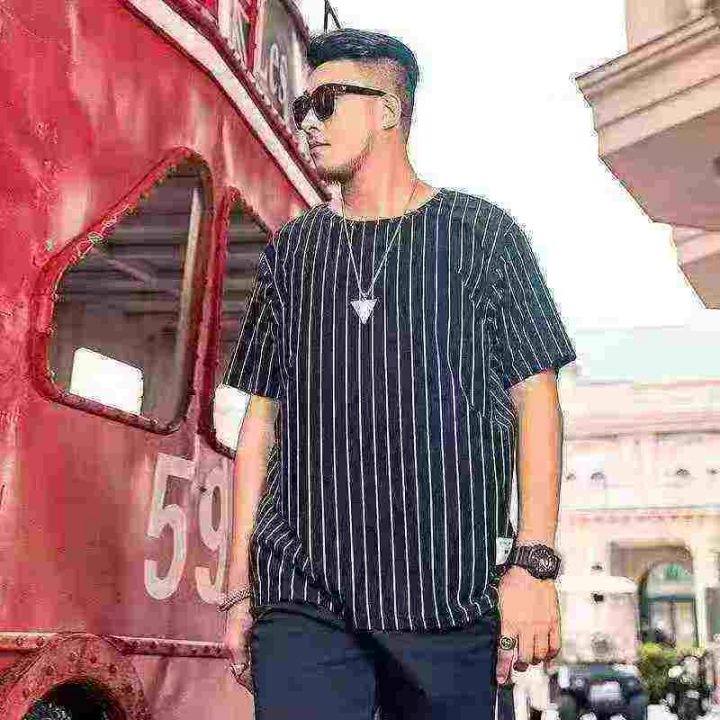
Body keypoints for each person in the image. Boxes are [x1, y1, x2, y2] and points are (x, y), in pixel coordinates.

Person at [220, 26, 577, 720]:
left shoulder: (483, 236)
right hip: (304, 597)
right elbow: (259, 421)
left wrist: (532, 565)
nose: (308, 124)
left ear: (387, 109)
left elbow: (536, 397)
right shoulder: (293, 250)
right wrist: (240, 587)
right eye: (302, 108)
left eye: (325, 104)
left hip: (448, 596)